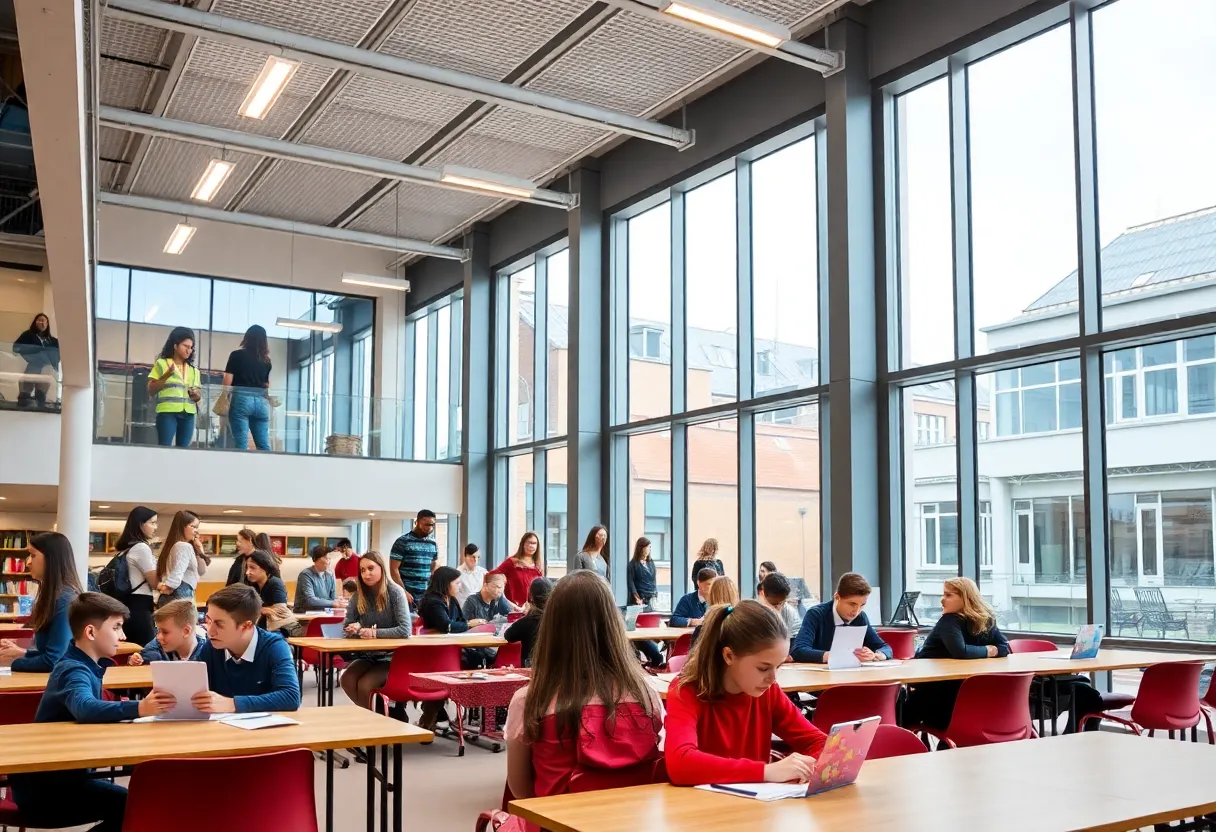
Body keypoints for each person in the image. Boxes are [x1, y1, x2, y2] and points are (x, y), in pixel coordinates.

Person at [8, 593, 175, 832]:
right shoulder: (73, 669)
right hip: (44, 790)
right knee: (134, 806)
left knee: (134, 804)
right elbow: (85, 708)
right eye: (116, 627)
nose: (123, 636)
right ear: (90, 633)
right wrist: (140, 707)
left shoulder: (84, 664)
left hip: (57, 779)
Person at [505, 571, 664, 801]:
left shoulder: (530, 701)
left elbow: (521, 791)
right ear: (614, 627)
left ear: (550, 628)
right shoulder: (646, 693)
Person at [664, 600, 827, 786]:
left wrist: (808, 766)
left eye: (778, 667)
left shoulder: (768, 692)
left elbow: (819, 743)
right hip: (702, 808)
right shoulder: (686, 690)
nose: (773, 678)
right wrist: (766, 771)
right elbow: (680, 764)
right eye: (763, 668)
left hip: (755, 806)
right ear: (729, 656)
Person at [904, 577, 1011, 732]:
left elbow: (1004, 648)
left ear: (966, 599)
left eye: (948, 595)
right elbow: (961, 651)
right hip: (933, 690)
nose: (942, 600)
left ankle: (955, 738)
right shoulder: (949, 620)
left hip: (952, 693)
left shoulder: (985, 619)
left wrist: (991, 650)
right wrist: (990, 650)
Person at [195, 584, 302, 713]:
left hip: (266, 731)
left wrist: (233, 704)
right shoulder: (211, 647)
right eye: (208, 621)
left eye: (219, 624)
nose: (210, 631)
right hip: (222, 730)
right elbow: (192, 690)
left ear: (246, 626)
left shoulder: (275, 647)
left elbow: (291, 696)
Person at [340, 551, 412, 710]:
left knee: (366, 685)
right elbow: (346, 626)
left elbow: (405, 630)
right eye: (362, 570)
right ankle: (373, 716)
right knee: (347, 679)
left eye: (371, 568)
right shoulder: (357, 596)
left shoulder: (395, 593)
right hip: (368, 655)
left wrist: (374, 633)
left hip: (393, 658)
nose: (366, 574)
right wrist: (352, 629)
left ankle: (373, 720)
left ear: (381, 568)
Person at [0, 531, 81, 671]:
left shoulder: (65, 600)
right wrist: (21, 652)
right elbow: (51, 651)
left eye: (32, 555)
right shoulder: (55, 595)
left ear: (51, 559)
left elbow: (53, 660)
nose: (28, 562)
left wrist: (10, 662)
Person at [791, 572, 892, 664]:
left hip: (851, 676)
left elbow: (885, 648)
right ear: (837, 597)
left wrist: (876, 655)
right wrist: (833, 656)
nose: (857, 611)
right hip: (820, 677)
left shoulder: (860, 617)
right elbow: (798, 650)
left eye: (862, 605)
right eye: (852, 604)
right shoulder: (816, 614)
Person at [147, 326, 201, 448]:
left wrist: (196, 395)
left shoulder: (194, 371)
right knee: (164, 448)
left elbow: (198, 396)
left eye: (191, 347)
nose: (189, 350)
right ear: (175, 346)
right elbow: (151, 389)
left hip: (188, 414)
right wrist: (167, 375)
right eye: (185, 346)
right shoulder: (162, 363)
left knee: (184, 451)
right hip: (167, 413)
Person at [113, 505, 159, 645]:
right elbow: (154, 582)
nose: (155, 527)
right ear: (140, 524)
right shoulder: (141, 548)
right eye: (152, 523)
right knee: (147, 652)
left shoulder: (126, 548)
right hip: (140, 607)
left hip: (125, 605)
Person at [224, 324, 273, 451]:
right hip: (261, 402)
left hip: (242, 399)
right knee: (263, 445)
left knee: (242, 444)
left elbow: (227, 381)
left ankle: (241, 470)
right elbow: (267, 384)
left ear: (247, 338)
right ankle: (268, 469)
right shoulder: (267, 361)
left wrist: (224, 398)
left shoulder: (236, 355)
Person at [128, 598, 207, 664]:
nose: (158, 637)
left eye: (165, 632)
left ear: (186, 631)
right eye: (158, 631)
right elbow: (144, 656)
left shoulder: (208, 654)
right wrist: (135, 660)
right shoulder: (157, 645)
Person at [245, 549, 302, 637]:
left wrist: (259, 610)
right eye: (247, 568)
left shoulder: (275, 583)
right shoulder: (250, 585)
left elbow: (280, 609)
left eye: (252, 567)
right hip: (259, 628)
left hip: (278, 629)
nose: (247, 572)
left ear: (264, 568)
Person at [390, 510, 438, 606]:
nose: (429, 528)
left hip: (426, 595)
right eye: (426, 524)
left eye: (432, 525)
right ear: (417, 522)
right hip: (407, 595)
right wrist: (403, 592)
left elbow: (433, 567)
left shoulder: (432, 543)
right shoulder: (402, 541)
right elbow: (393, 569)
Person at [156, 510, 202, 608]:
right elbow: (177, 574)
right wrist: (167, 586)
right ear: (182, 527)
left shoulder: (172, 546)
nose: (196, 531)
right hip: (180, 595)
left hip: (171, 597)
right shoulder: (183, 546)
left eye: (197, 527)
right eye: (193, 526)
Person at [13, 312, 58, 409]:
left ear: (47, 324)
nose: (42, 323)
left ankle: (40, 402)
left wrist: (55, 365)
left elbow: (57, 355)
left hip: (47, 367)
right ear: (35, 322)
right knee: (27, 381)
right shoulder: (28, 335)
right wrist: (34, 352)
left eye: (45, 321)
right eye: (40, 320)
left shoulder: (52, 340)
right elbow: (16, 347)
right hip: (33, 364)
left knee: (43, 383)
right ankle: (24, 400)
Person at [504, 577, 552, 668]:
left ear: (531, 597)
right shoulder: (557, 618)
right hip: (554, 668)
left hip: (532, 669)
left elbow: (508, 636)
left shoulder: (527, 621)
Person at [491, 531, 545, 607]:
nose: (531, 546)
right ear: (523, 544)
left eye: (534, 543)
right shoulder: (512, 562)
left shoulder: (539, 566)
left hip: (532, 609)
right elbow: (492, 575)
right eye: (529, 542)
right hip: (513, 608)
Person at [690, 576, 740, 649]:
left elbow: (693, 658)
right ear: (735, 595)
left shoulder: (702, 631)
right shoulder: (743, 629)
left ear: (711, 597)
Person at [295, 544, 343, 613]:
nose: (329, 562)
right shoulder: (305, 575)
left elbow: (333, 598)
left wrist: (339, 601)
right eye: (326, 558)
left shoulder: (330, 573)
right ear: (316, 560)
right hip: (305, 614)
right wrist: (333, 603)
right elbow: (311, 600)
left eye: (330, 558)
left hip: (324, 613)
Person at [760, 572, 802, 642]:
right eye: (774, 605)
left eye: (782, 603)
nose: (778, 608)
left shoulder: (791, 614)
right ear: (763, 593)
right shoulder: (754, 613)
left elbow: (795, 644)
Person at [627, 537, 658, 610]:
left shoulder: (651, 562)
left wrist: (656, 594)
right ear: (641, 548)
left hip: (652, 597)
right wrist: (637, 597)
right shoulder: (633, 564)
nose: (649, 550)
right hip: (641, 598)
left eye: (650, 547)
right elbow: (631, 582)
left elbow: (654, 580)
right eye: (647, 547)